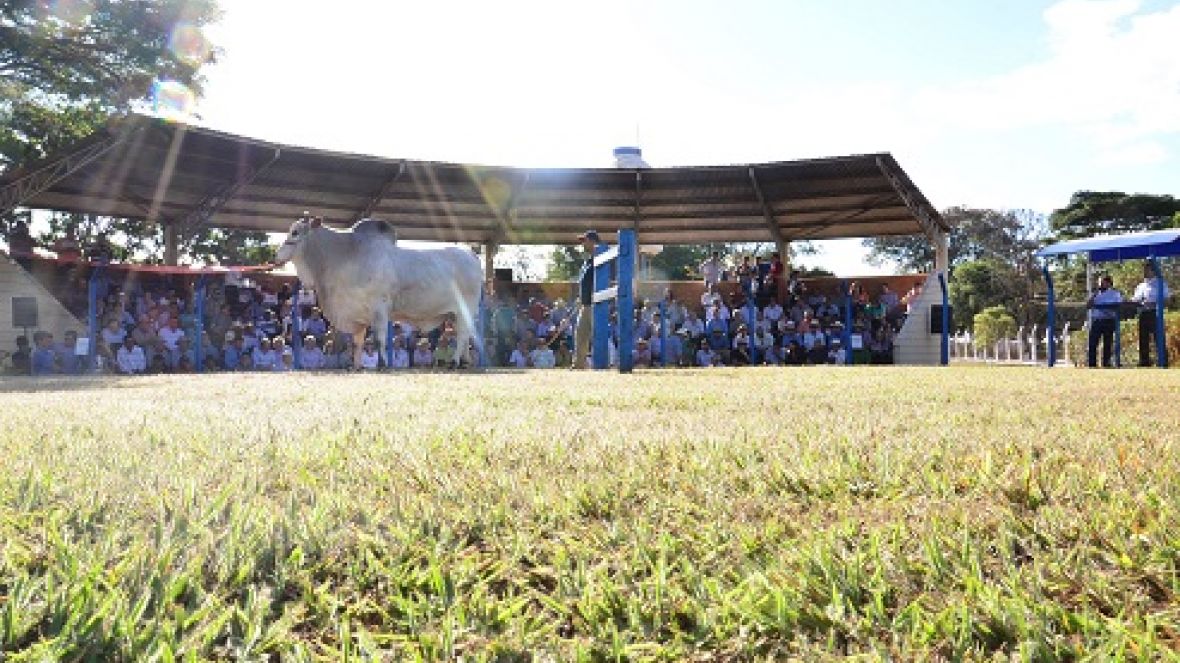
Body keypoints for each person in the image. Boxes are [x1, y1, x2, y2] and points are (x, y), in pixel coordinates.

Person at [1132, 264, 1169, 367]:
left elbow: (1167, 299)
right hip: (1143, 313)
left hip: (1156, 313)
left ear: (1153, 271)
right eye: (1144, 270)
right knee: (1143, 338)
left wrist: (1153, 303)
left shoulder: (1161, 283)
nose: (1145, 272)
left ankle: (1163, 361)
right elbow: (1135, 299)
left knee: (1159, 337)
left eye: (1147, 270)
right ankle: (1144, 362)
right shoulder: (1141, 286)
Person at [573, 230, 600, 370]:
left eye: (585, 240)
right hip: (585, 305)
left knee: (599, 335)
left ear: (592, 241)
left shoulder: (601, 258)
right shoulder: (587, 262)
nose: (583, 244)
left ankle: (602, 363)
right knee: (580, 334)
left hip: (597, 305)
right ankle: (578, 364)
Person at [1087, 273, 1122, 368]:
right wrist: (1094, 296)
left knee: (1107, 343)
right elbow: (1088, 306)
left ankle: (1106, 364)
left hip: (1108, 320)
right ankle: (1092, 364)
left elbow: (1117, 306)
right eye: (1099, 282)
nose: (1100, 284)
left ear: (1108, 283)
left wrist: (1102, 307)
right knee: (1092, 342)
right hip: (1097, 321)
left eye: (1102, 282)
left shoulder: (1115, 294)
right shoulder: (1096, 294)